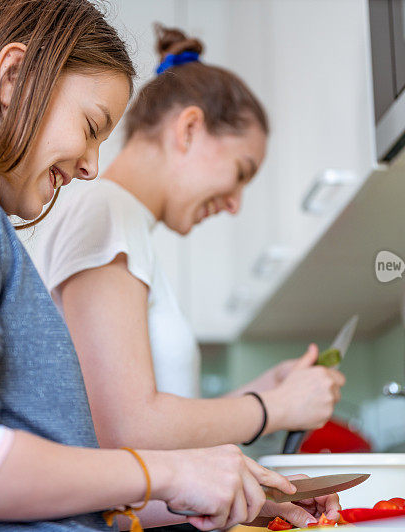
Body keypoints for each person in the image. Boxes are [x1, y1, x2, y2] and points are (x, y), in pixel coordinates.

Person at [0, 2, 323, 530]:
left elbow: (46, 487)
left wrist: (223, 489)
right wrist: (167, 471)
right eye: (91, 126)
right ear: (13, 77)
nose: (92, 167)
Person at [24, 23, 346, 510]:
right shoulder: (107, 215)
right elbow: (125, 429)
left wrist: (261, 401)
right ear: (190, 128)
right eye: (240, 172)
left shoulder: (120, 223)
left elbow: (149, 443)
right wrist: (274, 409)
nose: (236, 203)